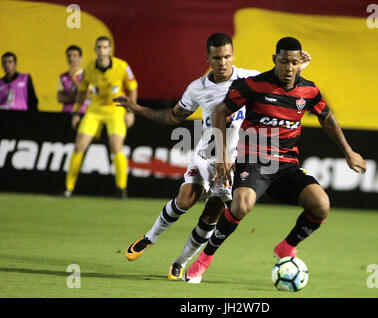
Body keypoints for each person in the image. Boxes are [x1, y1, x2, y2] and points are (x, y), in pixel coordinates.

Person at [113, 33, 312, 280]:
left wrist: (298, 67)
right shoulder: (197, 88)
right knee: (186, 199)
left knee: (212, 213)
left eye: (227, 56)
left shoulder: (249, 78)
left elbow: (279, 84)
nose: (222, 62)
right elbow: (173, 117)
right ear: (207, 58)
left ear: (233, 56)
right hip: (208, 155)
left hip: (237, 160)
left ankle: (180, 262)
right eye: (217, 57)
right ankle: (149, 238)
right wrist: (136, 107)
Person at [183, 37, 367, 284]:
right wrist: (225, 156)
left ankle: (286, 247)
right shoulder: (253, 85)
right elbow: (220, 111)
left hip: (286, 166)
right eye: (284, 62)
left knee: (321, 205)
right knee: (241, 206)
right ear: (274, 60)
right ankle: (203, 260)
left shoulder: (309, 91)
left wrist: (348, 151)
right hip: (253, 161)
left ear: (299, 62)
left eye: (293, 62)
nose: (289, 68)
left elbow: (327, 118)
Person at [63, 36, 137, 199]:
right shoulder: (89, 69)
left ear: (109, 50)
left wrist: (131, 111)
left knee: (116, 147)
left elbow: (132, 87)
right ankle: (68, 188)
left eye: (105, 47)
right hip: (95, 110)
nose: (102, 51)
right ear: (95, 50)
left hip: (115, 110)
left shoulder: (122, 66)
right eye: (99, 48)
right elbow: (82, 92)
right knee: (79, 146)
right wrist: (76, 113)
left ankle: (121, 189)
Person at [57, 45, 89, 113]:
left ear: (80, 58)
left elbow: (88, 96)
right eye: (69, 56)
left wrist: (74, 79)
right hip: (66, 113)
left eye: (75, 56)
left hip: (83, 112)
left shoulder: (88, 75)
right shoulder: (63, 76)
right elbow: (60, 98)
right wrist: (78, 98)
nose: (71, 58)